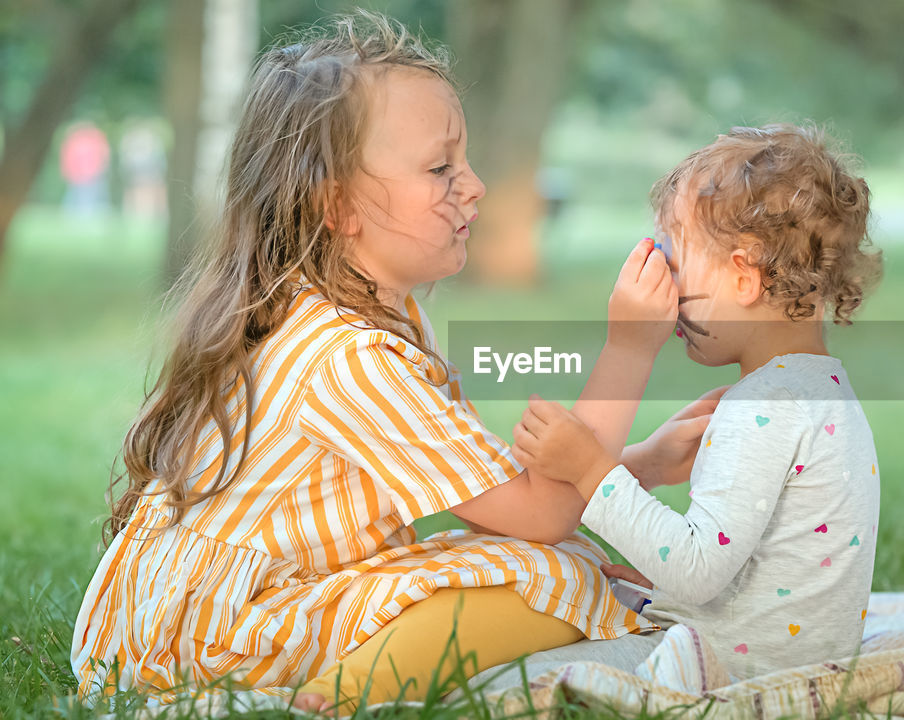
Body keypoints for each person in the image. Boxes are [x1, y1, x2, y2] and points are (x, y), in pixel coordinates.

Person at [70, 12, 711, 713]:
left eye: (462, 163)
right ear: (337, 205)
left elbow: (493, 502)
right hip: (201, 636)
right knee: (558, 573)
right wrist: (628, 347)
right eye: (440, 168)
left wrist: (637, 464)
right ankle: (335, 699)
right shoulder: (353, 355)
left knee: (560, 564)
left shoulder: (354, 309)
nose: (475, 187)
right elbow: (539, 517)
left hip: (166, 616)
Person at [513, 124, 883, 691]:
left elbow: (696, 569)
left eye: (673, 260)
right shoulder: (820, 386)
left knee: (522, 673)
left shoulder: (762, 406)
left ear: (743, 276)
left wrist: (590, 470)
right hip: (786, 658)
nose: (664, 284)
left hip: (729, 670)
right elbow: (766, 562)